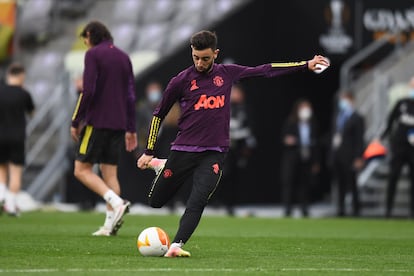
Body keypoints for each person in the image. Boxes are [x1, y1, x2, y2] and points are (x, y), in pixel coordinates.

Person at [136, 30, 330, 257]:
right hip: (183, 150)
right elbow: (158, 115)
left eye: (205, 58)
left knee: (197, 200)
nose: (200, 63)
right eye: (196, 57)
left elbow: (265, 70)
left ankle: (177, 245)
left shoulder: (227, 74)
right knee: (156, 202)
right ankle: (161, 164)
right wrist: (148, 150)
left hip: (214, 153)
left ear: (216, 54)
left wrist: (304, 65)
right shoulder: (180, 81)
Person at [70, 21, 137, 236]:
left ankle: (116, 203)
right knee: (110, 174)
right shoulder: (124, 57)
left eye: (85, 38)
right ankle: (109, 226)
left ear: (90, 34)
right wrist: (131, 128)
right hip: (118, 124)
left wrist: (75, 120)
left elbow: (87, 91)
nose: (86, 42)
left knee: (81, 169)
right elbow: (130, 96)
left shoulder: (93, 55)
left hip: (97, 122)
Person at [214, 82, 257, 215]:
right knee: (222, 175)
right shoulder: (223, 106)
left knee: (234, 176)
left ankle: (231, 204)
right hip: (224, 147)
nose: (235, 94)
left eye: (237, 92)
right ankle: (219, 202)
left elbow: (250, 130)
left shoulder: (245, 109)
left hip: (238, 147)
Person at [0, 62, 35, 216]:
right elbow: (31, 112)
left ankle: (1, 195)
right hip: (17, 137)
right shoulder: (24, 94)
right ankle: (11, 205)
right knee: (15, 172)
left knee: (1, 169)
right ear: (21, 76)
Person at [378, 76, 414, 218]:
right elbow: (390, 121)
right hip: (399, 146)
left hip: (412, 149)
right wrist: (382, 138)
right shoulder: (401, 103)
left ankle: (412, 211)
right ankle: (388, 210)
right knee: (393, 176)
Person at [280, 98, 320, 217]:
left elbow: (316, 143)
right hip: (292, 157)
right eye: (303, 108)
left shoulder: (313, 124)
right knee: (289, 182)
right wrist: (288, 140)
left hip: (307, 156)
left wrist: (316, 161)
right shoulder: (291, 122)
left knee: (304, 184)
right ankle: (288, 208)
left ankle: (304, 208)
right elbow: (283, 138)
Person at [329, 90, 365, 217]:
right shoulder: (338, 116)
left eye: (345, 99)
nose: (342, 102)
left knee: (352, 183)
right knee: (340, 184)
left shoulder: (357, 117)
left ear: (351, 100)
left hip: (350, 156)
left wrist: (359, 157)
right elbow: (334, 136)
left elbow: (359, 139)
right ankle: (341, 209)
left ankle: (356, 209)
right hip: (338, 155)